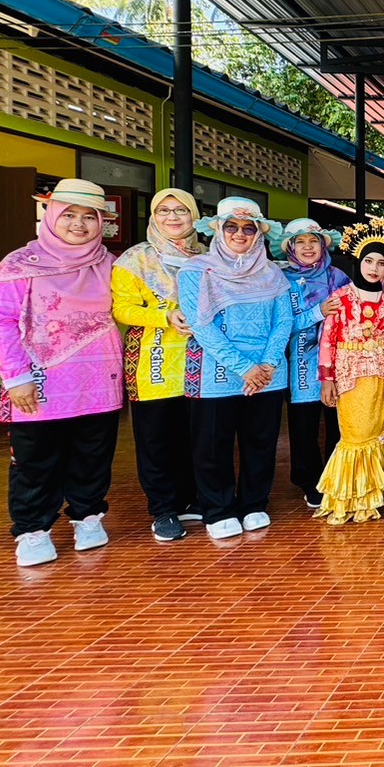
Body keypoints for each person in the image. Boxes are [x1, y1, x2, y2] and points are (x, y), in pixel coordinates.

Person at [0, 178, 123, 567]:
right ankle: (33, 530)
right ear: (51, 215)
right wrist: (16, 377)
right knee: (35, 458)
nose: (79, 224)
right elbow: (1, 322)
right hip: (40, 380)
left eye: (89, 217)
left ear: (101, 222)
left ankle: (88, 517)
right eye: (69, 215)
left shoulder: (110, 265)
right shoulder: (21, 265)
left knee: (93, 454)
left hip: (100, 379)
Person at [178, 197, 293, 541]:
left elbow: (283, 321)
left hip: (269, 373)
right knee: (213, 445)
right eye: (231, 226)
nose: (240, 234)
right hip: (217, 373)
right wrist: (245, 368)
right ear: (218, 230)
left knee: (261, 442)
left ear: (259, 234)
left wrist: (267, 364)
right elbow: (201, 325)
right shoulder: (196, 271)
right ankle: (219, 509)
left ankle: (254, 503)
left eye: (248, 228)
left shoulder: (273, 273)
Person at [111, 187, 205, 543]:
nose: (173, 217)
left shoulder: (207, 256)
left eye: (181, 210)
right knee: (156, 437)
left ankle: (192, 498)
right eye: (164, 210)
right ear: (153, 216)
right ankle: (163, 509)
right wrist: (164, 316)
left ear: (194, 215)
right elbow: (122, 309)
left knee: (195, 434)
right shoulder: (135, 260)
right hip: (155, 361)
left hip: (201, 360)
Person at [314, 220, 384, 525]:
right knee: (354, 435)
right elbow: (327, 340)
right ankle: (353, 497)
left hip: (379, 376)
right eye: (369, 261)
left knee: (377, 431)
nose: (374, 268)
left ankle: (373, 493)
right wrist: (326, 379)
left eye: (381, 263)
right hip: (348, 377)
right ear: (359, 262)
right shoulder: (340, 298)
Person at [278, 218, 349, 511]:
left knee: (338, 424)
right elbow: (281, 325)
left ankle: (337, 477)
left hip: (338, 363)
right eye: (301, 242)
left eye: (313, 242)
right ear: (290, 248)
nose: (308, 248)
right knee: (304, 425)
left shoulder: (338, 277)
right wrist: (318, 312)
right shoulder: (281, 280)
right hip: (300, 364)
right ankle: (309, 482)